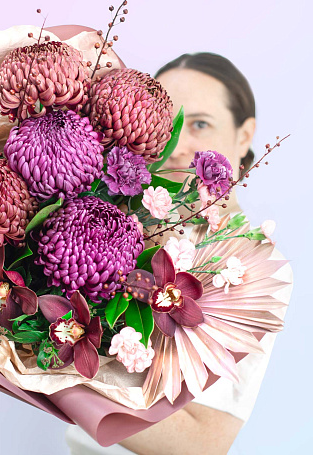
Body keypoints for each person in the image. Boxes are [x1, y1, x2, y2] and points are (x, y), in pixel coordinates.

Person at [65, 52, 291, 455]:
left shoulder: (252, 267)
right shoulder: (112, 214)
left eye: (200, 124)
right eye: (167, 126)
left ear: (245, 135)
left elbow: (199, 443)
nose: (178, 145)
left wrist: (41, 364)